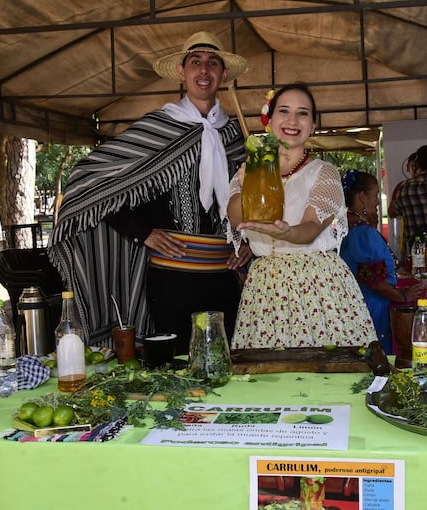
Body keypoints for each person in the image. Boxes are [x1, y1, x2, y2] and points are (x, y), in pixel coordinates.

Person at [48, 31, 252, 354]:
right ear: (182, 73)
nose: (204, 70)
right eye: (195, 62)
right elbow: (91, 181)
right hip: (171, 281)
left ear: (223, 74)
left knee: (223, 366)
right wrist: (141, 232)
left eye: (213, 63)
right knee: (177, 371)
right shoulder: (157, 129)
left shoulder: (235, 135)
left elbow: (253, 203)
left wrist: (249, 243)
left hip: (224, 280)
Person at [227, 84, 376, 349]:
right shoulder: (249, 171)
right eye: (283, 111)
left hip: (317, 287)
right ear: (269, 120)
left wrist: (286, 232)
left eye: (303, 113)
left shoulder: (323, 172)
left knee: (326, 373)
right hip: (264, 289)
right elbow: (237, 216)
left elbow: (310, 228)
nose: (293, 120)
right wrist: (250, 184)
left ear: (313, 125)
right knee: (266, 374)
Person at [340, 170, 423, 353]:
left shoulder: (348, 225)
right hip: (373, 308)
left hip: (359, 305)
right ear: (362, 197)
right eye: (375, 195)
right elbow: (374, 281)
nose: (378, 201)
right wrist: (402, 296)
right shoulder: (363, 233)